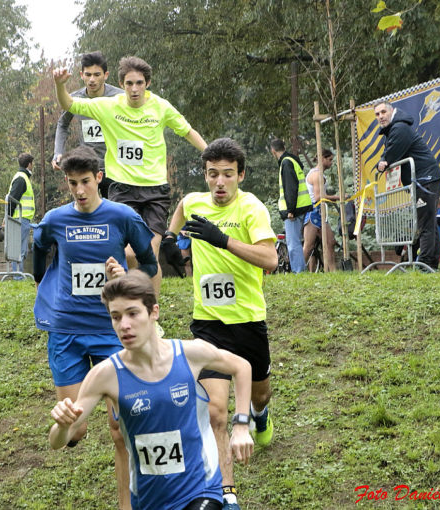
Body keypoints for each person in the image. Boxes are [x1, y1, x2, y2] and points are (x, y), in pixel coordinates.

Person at [49, 270, 254, 510]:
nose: (124, 325)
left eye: (132, 313)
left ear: (153, 312)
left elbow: (242, 366)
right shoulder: (105, 375)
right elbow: (57, 442)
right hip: (148, 500)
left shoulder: (189, 354)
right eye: (116, 317)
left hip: (201, 489)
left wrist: (241, 425)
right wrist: (63, 426)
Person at [34, 146, 158, 510]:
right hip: (67, 331)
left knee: (121, 430)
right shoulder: (55, 220)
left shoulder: (122, 217)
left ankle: (126, 505)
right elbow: (38, 252)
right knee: (76, 427)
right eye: (72, 183)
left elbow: (149, 266)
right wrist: (45, 282)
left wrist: (127, 275)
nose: (79, 190)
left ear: (99, 178)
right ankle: (72, 434)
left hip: (112, 331)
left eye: (85, 182)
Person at [163, 138, 278, 510]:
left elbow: (270, 260)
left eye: (228, 174)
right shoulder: (195, 201)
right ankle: (226, 492)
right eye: (213, 174)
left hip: (247, 321)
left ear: (240, 175)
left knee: (260, 392)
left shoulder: (252, 208)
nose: (220, 182)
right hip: (208, 322)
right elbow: (181, 206)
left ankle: (259, 415)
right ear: (206, 175)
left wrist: (222, 240)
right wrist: (169, 238)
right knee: (216, 410)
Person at [54, 55, 207, 295]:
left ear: (147, 84)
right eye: (129, 83)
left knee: (150, 252)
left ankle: (151, 312)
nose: (134, 89)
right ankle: (131, 299)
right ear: (121, 85)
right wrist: (60, 85)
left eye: (139, 83)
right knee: (128, 253)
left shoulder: (160, 106)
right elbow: (69, 105)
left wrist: (210, 154)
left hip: (156, 190)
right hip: (123, 189)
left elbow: (188, 131)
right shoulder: (109, 106)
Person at [375, 101, 440, 270]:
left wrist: (383, 161)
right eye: (377, 114)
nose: (380, 116)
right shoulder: (396, 129)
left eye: (383, 112)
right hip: (424, 178)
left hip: (425, 178)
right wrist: (383, 159)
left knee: (425, 224)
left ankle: (425, 264)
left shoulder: (399, 128)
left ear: (391, 112)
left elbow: (392, 153)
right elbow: (389, 150)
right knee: (428, 222)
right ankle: (430, 264)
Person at [52, 51, 124, 198]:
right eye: (88, 74)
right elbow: (62, 124)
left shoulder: (120, 97)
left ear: (106, 75)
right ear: (81, 75)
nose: (92, 79)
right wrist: (58, 152)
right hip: (88, 166)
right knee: (87, 209)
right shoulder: (75, 98)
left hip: (115, 167)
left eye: (97, 75)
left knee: (115, 211)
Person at [269, 139, 312, 273]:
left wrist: (290, 210)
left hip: (294, 209)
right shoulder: (292, 161)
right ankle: (299, 270)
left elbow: (290, 188)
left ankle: (299, 272)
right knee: (296, 241)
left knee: (293, 243)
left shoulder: (286, 163)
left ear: (273, 151)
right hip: (302, 206)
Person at [302, 149, 339, 271]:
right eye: (329, 160)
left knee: (330, 242)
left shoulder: (319, 174)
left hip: (321, 212)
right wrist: (337, 197)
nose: (331, 163)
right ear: (322, 158)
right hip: (314, 212)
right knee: (309, 245)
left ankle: (332, 270)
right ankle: (298, 270)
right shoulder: (317, 175)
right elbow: (319, 197)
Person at [8, 152, 35, 276]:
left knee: (22, 249)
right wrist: (8, 216)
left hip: (22, 218)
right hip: (20, 218)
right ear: (29, 164)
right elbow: (13, 199)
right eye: (32, 164)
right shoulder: (21, 178)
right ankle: (17, 276)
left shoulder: (22, 177)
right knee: (19, 249)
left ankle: (19, 275)